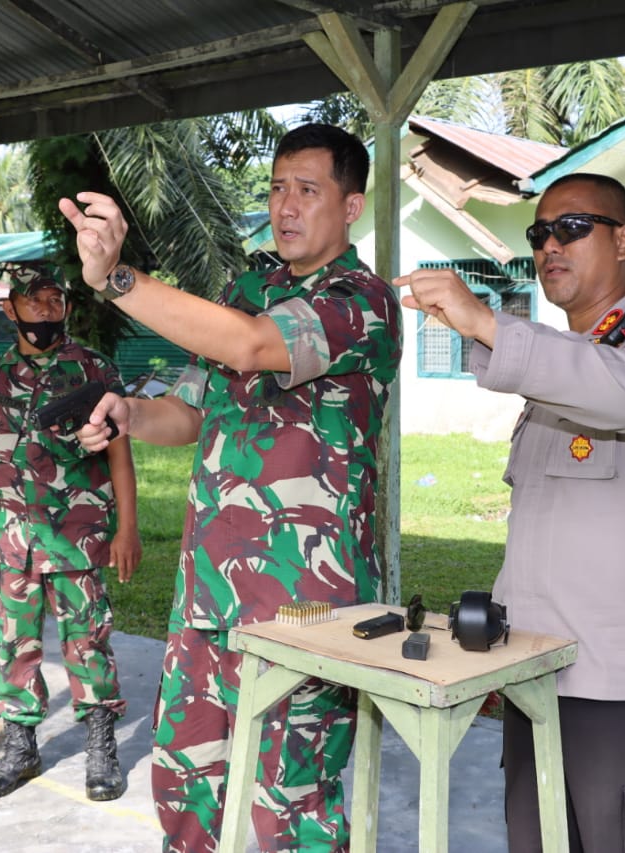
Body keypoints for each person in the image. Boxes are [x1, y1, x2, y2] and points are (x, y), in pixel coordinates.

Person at [59, 123, 402, 851]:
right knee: (186, 782)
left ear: (351, 206)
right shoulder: (248, 287)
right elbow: (187, 410)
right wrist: (126, 415)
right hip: (211, 591)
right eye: (278, 188)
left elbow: (250, 346)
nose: (286, 205)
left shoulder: (362, 301)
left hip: (309, 603)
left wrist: (117, 278)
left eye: (308, 190)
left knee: (291, 799)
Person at [397, 172, 625, 851]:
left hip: (623, 688)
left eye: (572, 227)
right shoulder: (552, 369)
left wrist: (486, 321)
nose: (549, 246)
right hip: (535, 678)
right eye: (539, 233)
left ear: (623, 238)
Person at [0, 264, 141, 801]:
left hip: (79, 538)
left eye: (54, 299)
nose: (45, 310)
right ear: (9, 309)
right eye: (32, 301)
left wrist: (127, 529)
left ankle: (101, 749)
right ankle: (20, 748)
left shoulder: (93, 370)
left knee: (89, 643)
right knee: (14, 645)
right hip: (11, 540)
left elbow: (120, 458)